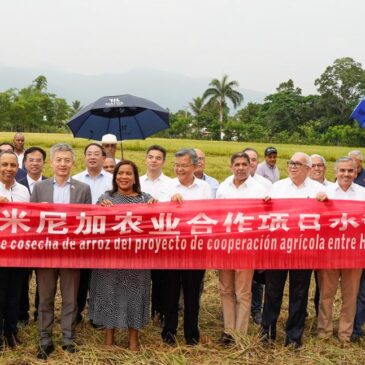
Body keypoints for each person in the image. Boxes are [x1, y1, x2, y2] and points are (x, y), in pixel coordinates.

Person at [31, 143, 92, 360]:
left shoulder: (83, 189)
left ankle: (68, 338)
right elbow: (31, 221)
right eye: (59, 160)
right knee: (45, 299)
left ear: (73, 162)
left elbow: (88, 223)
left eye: (67, 160)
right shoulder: (39, 188)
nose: (63, 164)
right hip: (46, 253)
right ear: (52, 162)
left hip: (72, 254)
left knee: (70, 299)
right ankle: (45, 340)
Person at [89, 160, 155, 350]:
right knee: (109, 293)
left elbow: (158, 221)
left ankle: (133, 337)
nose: (123, 177)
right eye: (120, 173)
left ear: (135, 178)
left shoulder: (146, 199)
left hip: (137, 258)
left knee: (135, 294)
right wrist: (100, 207)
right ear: (115, 177)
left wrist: (155, 207)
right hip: (110, 258)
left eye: (128, 173)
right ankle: (109, 336)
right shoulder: (105, 198)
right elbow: (92, 222)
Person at [261, 152, 325, 349]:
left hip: (303, 250)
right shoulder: (277, 187)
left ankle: (294, 336)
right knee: (272, 291)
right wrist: (264, 203)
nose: (293, 166)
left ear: (308, 168)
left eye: (298, 164)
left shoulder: (319, 190)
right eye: (291, 163)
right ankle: (267, 333)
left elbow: (328, 215)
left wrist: (325, 201)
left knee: (299, 292)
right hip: (278, 248)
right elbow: (265, 214)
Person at [161, 148, 213, 346]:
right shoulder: (167, 187)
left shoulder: (204, 188)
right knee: (171, 292)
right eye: (176, 165)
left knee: (192, 293)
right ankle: (169, 332)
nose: (179, 169)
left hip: (195, 249)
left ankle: (191, 333)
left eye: (184, 165)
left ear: (194, 166)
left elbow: (209, 215)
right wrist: (170, 202)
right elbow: (155, 212)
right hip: (171, 248)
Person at [216, 152, 269, 345]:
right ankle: (228, 331)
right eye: (237, 164)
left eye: (244, 164)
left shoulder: (259, 189)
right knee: (226, 290)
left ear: (250, 167)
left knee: (243, 292)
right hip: (224, 246)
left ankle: (241, 333)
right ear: (231, 166)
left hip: (247, 246)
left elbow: (266, 216)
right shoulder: (223, 187)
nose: (240, 168)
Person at [317, 157, 365, 342]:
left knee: (350, 296)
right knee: (326, 294)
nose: (346, 174)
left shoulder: (363, 194)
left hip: (354, 254)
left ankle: (345, 334)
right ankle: (324, 332)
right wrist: (319, 203)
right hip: (329, 253)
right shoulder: (324, 193)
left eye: (350, 171)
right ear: (335, 172)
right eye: (342, 170)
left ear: (356, 172)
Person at [73, 143, 113, 325]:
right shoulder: (75, 179)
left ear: (104, 158)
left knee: (101, 279)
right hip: (81, 237)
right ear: (84, 157)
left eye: (97, 154)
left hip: (105, 238)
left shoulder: (113, 180)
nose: (92, 157)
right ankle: (76, 314)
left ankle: (98, 316)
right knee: (79, 279)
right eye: (89, 153)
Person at [140, 145, 173, 325]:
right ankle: (141, 313)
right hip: (140, 238)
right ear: (145, 159)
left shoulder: (171, 183)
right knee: (141, 278)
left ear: (163, 162)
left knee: (161, 279)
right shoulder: (136, 182)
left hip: (162, 239)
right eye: (151, 156)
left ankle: (159, 313)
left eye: (158, 158)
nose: (154, 160)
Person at [0, 151, 30, 348]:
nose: (8, 169)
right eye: (4, 165)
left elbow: (31, 219)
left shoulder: (24, 192)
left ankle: (11, 331)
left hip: (19, 252)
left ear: (18, 168)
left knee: (14, 295)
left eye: (12, 165)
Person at [17, 146, 47, 326]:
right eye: (31, 160)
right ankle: (22, 313)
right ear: (25, 163)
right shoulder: (16, 183)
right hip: (22, 241)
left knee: (43, 279)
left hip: (43, 241)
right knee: (22, 279)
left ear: (44, 163)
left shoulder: (50, 183)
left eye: (39, 160)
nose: (35, 163)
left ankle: (39, 312)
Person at [309, 154, 334, 317]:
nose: (316, 168)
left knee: (322, 283)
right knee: (301, 282)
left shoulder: (332, 188)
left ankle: (320, 314)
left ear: (325, 168)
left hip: (325, 242)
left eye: (320, 165)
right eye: (313, 166)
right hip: (304, 242)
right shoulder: (303, 187)